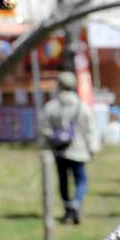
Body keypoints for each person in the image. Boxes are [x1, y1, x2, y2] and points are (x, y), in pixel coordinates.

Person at [40, 71, 95, 224]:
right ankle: (76, 202)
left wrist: (51, 142)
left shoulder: (51, 107)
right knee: (81, 180)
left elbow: (44, 129)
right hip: (79, 151)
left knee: (63, 182)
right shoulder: (82, 107)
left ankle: (67, 210)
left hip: (60, 151)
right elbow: (90, 130)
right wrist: (92, 148)